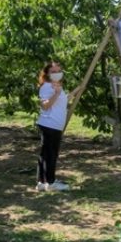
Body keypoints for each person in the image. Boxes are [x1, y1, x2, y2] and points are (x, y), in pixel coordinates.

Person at [36, 61, 80, 191]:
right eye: (53, 72)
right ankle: (51, 182)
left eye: (58, 71)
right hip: (50, 125)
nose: (56, 74)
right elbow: (45, 105)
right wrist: (56, 93)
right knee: (51, 154)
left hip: (54, 125)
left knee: (45, 154)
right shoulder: (46, 86)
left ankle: (42, 182)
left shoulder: (56, 86)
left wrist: (77, 90)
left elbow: (63, 100)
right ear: (47, 74)